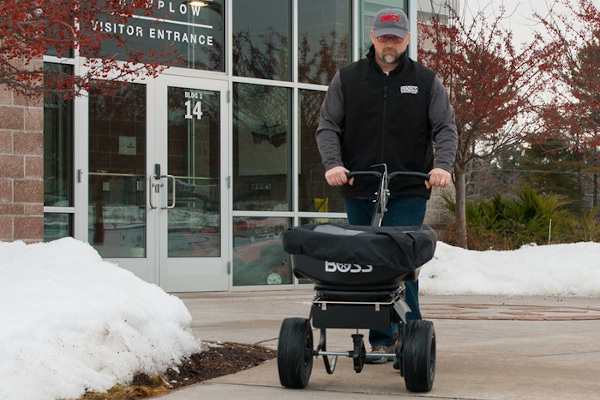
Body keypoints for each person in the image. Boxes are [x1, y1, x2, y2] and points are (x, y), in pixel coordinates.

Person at [315, 7, 457, 364]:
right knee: (366, 263)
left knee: (400, 263)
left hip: (408, 186)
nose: (389, 42)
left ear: (407, 38)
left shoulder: (426, 81)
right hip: (360, 185)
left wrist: (441, 167)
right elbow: (328, 126)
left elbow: (444, 128)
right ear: (373, 37)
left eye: (396, 37)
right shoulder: (348, 79)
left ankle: (411, 341)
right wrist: (334, 165)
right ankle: (381, 340)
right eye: (383, 36)